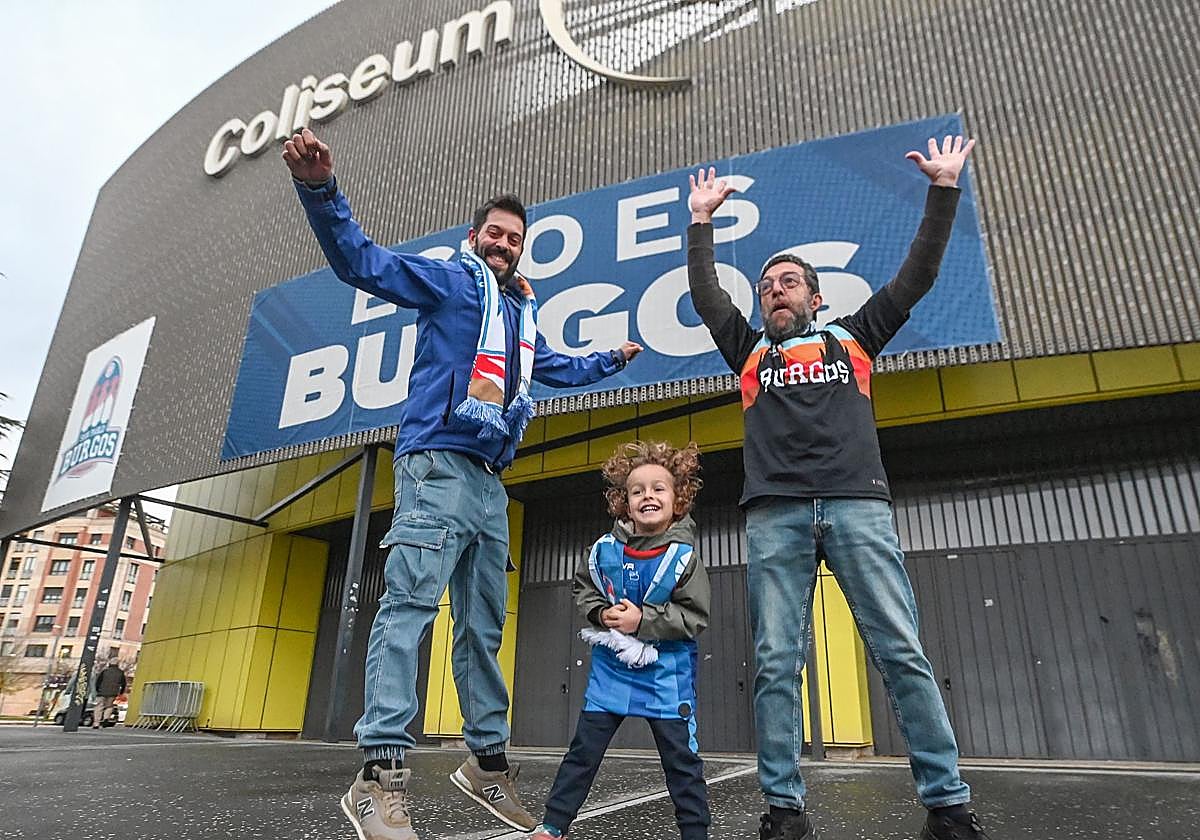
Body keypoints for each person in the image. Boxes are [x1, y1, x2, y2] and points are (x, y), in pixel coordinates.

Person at [282, 128, 642, 840]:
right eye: (495, 233)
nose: (504, 244)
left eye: (514, 238)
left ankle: (486, 764)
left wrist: (608, 361)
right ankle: (377, 777)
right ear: (474, 237)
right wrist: (320, 188)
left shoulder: (520, 319)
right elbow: (362, 262)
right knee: (410, 608)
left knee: (482, 627)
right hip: (436, 465)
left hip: (488, 485)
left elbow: (551, 371)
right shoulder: (449, 281)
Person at [686, 136, 991, 840]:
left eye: (787, 282)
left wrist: (943, 191)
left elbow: (916, 276)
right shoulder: (748, 350)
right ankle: (784, 811)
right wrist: (701, 223)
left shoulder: (855, 338)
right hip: (775, 515)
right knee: (773, 664)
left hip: (857, 506)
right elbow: (707, 295)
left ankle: (946, 804)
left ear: (815, 298)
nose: (773, 291)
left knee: (901, 650)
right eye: (765, 286)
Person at [531, 441, 711, 840]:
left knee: (682, 762)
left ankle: (695, 833)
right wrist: (599, 613)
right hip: (612, 673)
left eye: (659, 488)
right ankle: (552, 825)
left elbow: (694, 616)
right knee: (583, 753)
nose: (648, 495)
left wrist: (641, 620)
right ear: (624, 503)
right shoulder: (602, 552)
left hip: (668, 676)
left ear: (678, 499)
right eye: (637, 490)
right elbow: (585, 589)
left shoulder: (685, 558)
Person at [92, 660, 126, 729]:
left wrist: (97, 689)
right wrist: (121, 692)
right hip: (113, 692)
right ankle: (106, 718)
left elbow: (98, 681)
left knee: (99, 706)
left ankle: (96, 723)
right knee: (109, 706)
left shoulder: (105, 671)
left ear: (109, 664)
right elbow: (123, 683)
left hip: (102, 692)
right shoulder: (120, 672)